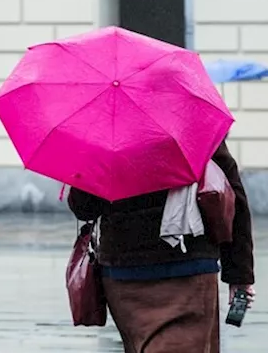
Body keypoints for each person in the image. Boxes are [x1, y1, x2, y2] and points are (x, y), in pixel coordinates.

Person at [66, 140, 255, 353]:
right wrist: (239, 275)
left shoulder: (107, 130)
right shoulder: (190, 120)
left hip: (124, 273)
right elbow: (232, 197)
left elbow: (84, 207)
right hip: (188, 268)